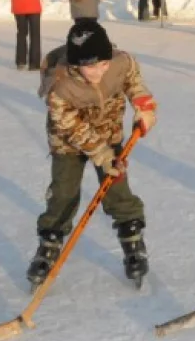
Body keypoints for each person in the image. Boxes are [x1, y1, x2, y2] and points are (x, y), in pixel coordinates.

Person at [29, 20, 158, 289]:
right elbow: (69, 126)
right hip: (68, 142)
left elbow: (132, 77)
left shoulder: (119, 62)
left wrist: (143, 103)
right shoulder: (60, 86)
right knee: (63, 193)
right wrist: (101, 154)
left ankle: (132, 239)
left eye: (103, 64)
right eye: (91, 66)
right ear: (76, 64)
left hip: (108, 133)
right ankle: (50, 242)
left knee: (117, 188)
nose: (99, 71)